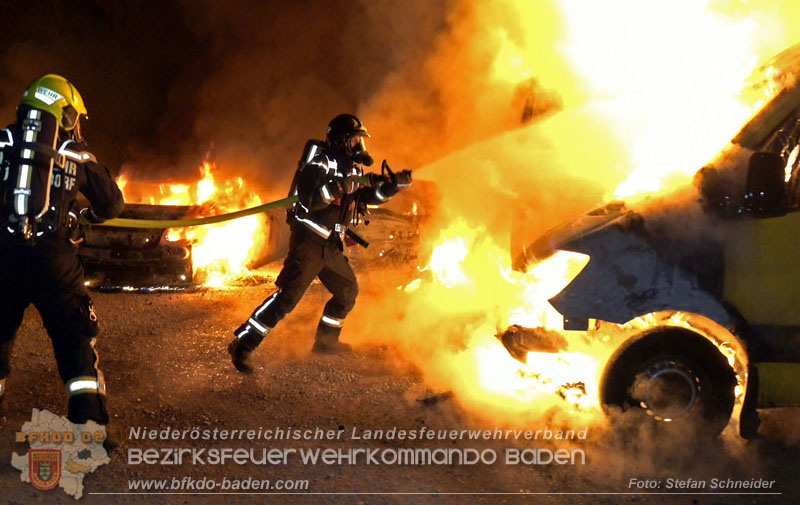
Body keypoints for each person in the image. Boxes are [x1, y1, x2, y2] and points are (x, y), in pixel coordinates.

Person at [227, 113, 412, 372]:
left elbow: (365, 199)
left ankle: (326, 342)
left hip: (331, 246)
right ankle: (243, 344)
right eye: (355, 142)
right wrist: (338, 188)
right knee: (287, 299)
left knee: (347, 291)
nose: (360, 148)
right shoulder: (320, 163)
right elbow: (310, 200)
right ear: (340, 141)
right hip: (309, 243)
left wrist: (392, 187)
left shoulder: (354, 169)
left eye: (361, 143)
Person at [0, 75, 124, 434]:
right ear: (65, 113)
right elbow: (113, 203)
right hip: (54, 260)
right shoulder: (74, 151)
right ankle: (88, 424)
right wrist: (86, 217)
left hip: (5, 255)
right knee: (74, 339)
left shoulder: (4, 140)